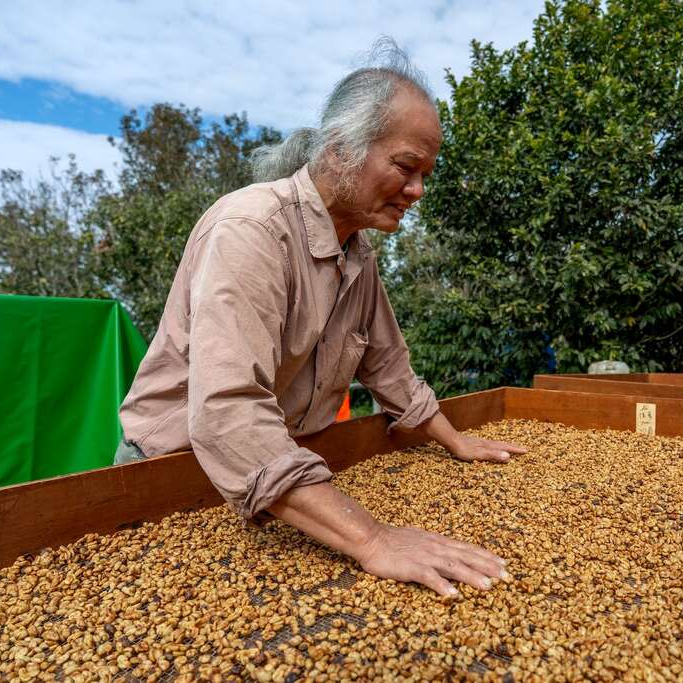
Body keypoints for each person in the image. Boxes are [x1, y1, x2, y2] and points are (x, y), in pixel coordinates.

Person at [115, 40, 527, 599]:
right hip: (175, 475)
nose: (418, 191)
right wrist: (373, 539)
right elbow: (226, 411)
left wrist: (456, 442)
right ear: (340, 148)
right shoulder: (251, 230)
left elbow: (388, 367)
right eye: (406, 167)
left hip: (278, 474)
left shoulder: (356, 251)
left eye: (425, 173)